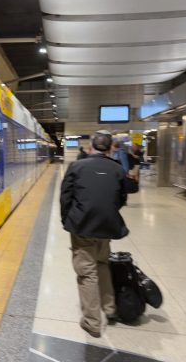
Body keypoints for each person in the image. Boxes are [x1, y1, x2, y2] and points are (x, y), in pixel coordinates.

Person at [60, 131, 130, 338]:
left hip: (82, 225)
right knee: (102, 264)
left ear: (91, 145)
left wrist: (67, 220)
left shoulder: (77, 166)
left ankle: (92, 322)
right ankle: (110, 309)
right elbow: (121, 199)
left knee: (87, 272)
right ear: (110, 148)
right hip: (107, 226)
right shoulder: (118, 169)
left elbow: (65, 197)